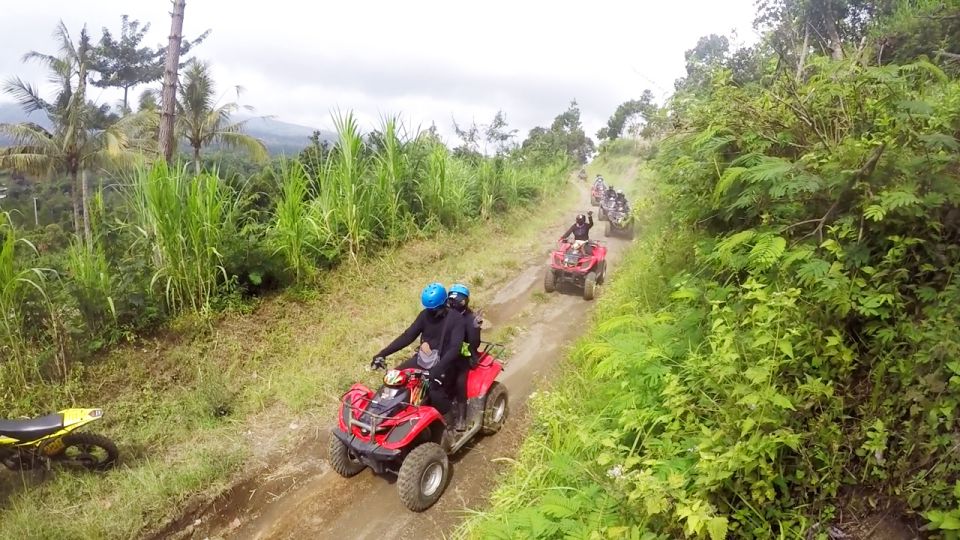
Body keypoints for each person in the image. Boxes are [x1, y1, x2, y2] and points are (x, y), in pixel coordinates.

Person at [371, 283, 465, 416]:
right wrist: (383, 354)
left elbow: (455, 348)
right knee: (394, 378)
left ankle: (447, 419)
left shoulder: (456, 319)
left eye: (436, 309)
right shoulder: (425, 315)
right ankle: (380, 415)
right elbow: (408, 336)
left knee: (433, 391)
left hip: (446, 362)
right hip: (424, 359)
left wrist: (437, 370)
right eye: (430, 309)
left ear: (444, 303)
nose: (432, 312)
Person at [446, 283, 482, 430]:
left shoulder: (469, 319)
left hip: (464, 356)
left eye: (456, 301)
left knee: (460, 383)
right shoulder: (446, 315)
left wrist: (476, 328)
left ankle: (461, 418)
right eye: (451, 300)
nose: (453, 303)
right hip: (446, 353)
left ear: (464, 302)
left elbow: (474, 343)